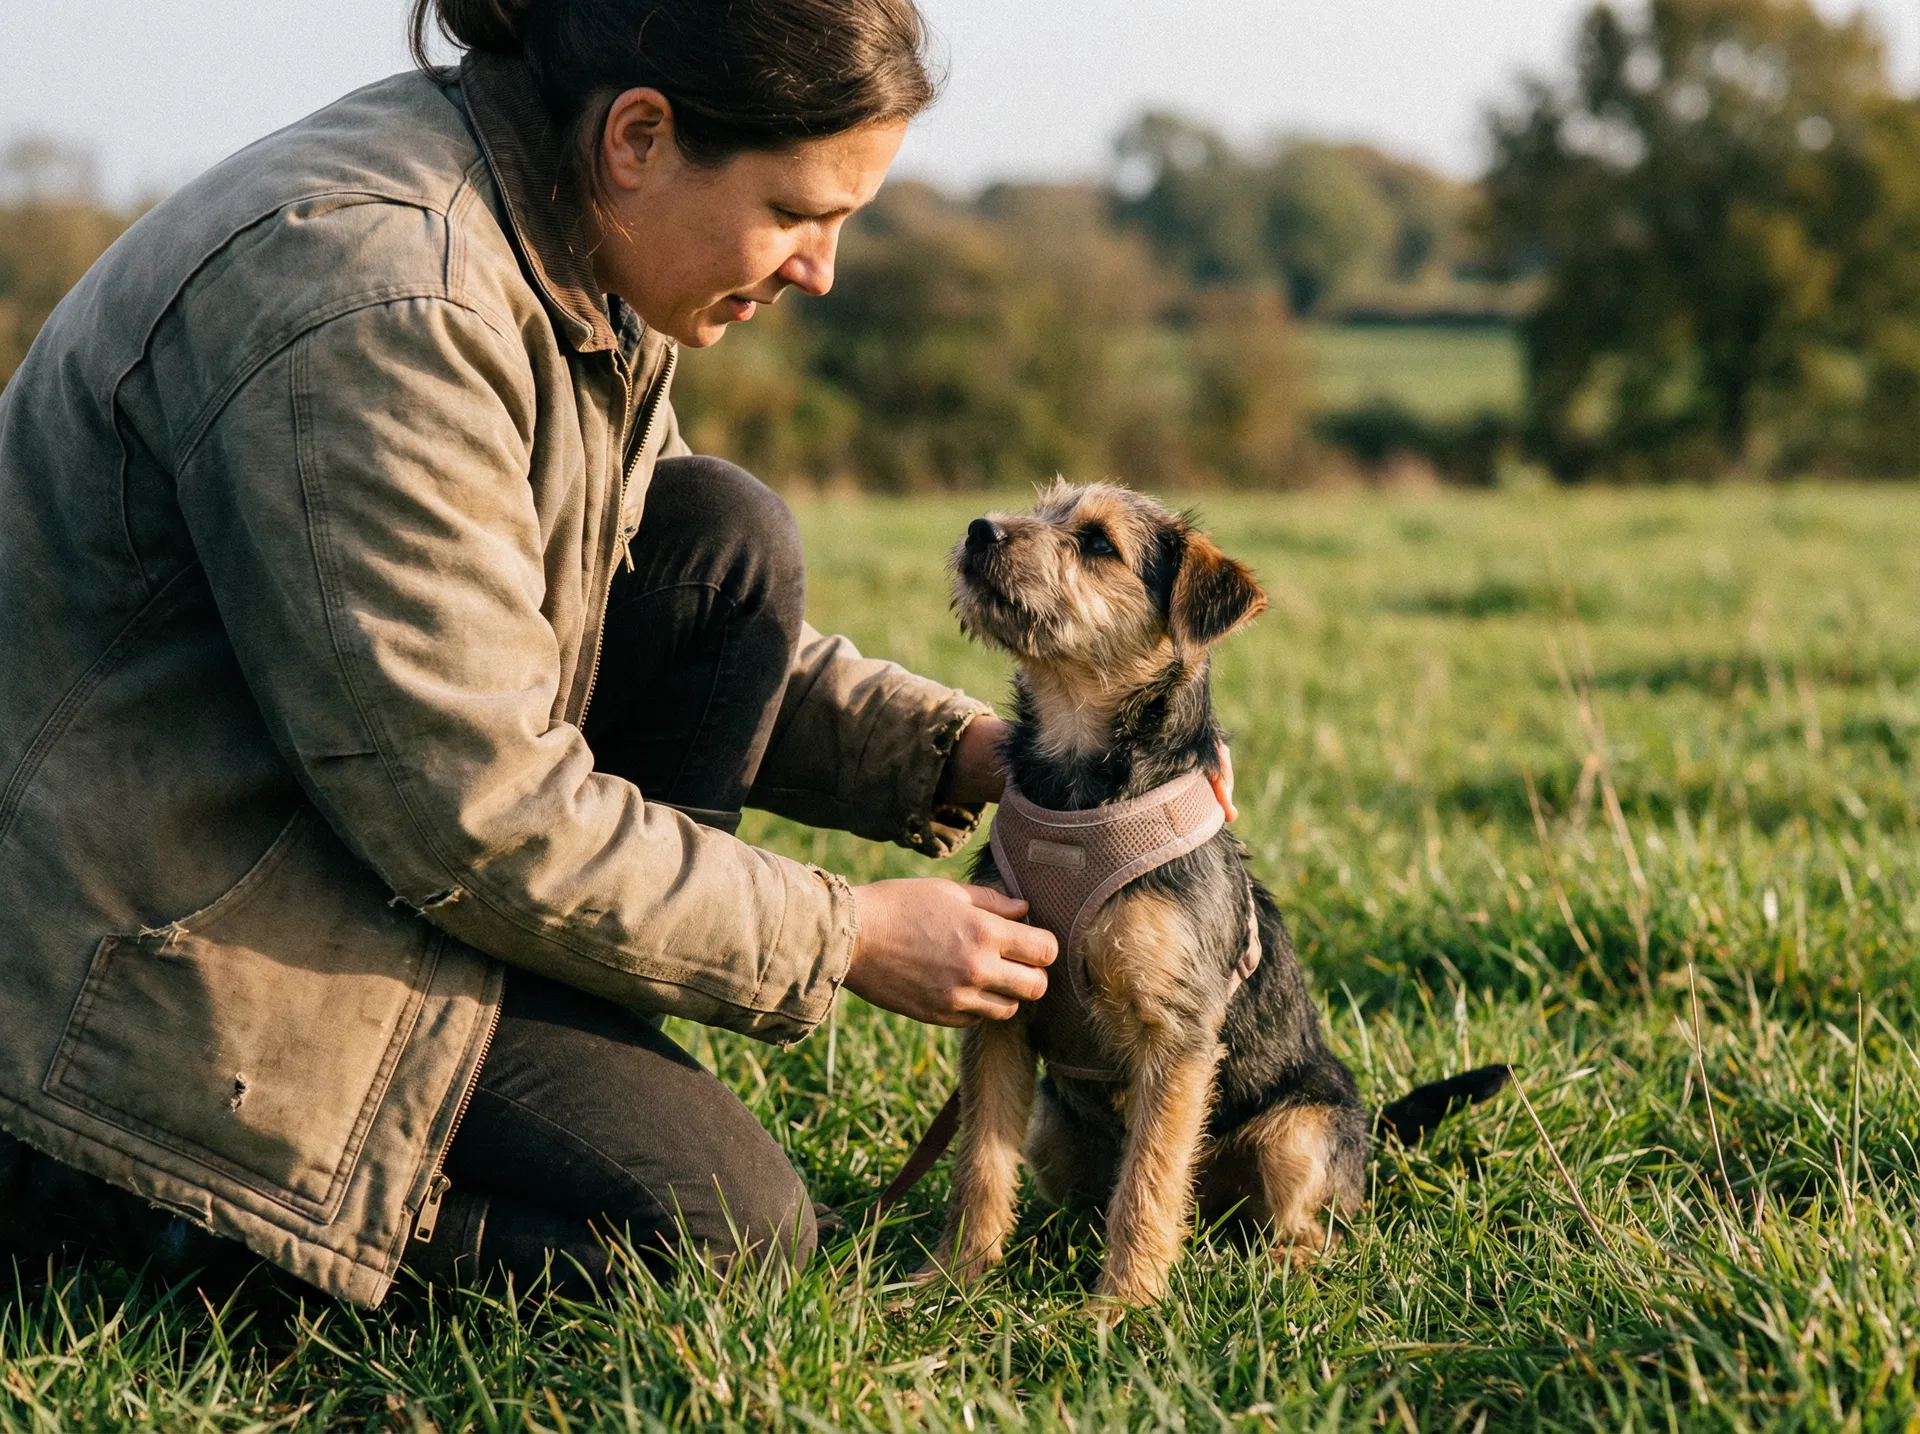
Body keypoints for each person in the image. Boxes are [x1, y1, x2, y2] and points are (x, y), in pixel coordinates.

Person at [0, 0, 1063, 1305]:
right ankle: (119, 1207)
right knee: (721, 1232)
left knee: (717, 539)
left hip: (321, 835)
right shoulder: (384, 300)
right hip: (136, 960)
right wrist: (842, 935)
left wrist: (966, 751)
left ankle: (555, 1065)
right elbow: (480, 812)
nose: (819, 270)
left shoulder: (568, 242)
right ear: (640, 136)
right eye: (797, 212)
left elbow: (608, 594)